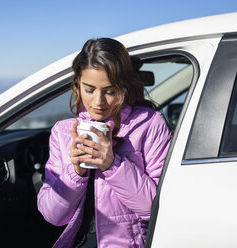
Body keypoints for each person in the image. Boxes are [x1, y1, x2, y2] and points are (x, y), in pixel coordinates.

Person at [37, 38, 172, 248]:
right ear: (77, 85)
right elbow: (52, 215)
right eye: (89, 90)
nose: (98, 102)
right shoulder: (62, 132)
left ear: (124, 88)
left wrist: (112, 165)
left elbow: (154, 209)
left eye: (110, 91)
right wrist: (75, 172)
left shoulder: (149, 124)